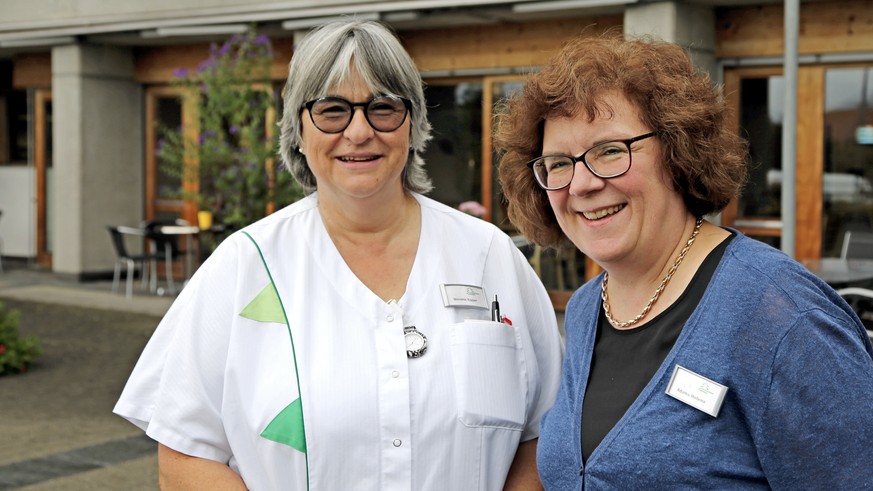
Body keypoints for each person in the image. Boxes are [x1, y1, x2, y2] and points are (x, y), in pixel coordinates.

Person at [114, 19, 563, 490]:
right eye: (332, 110)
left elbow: (544, 436)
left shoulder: (488, 256)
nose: (359, 131)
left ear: (411, 125)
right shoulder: (244, 267)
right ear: (299, 130)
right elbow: (186, 456)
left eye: (383, 108)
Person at [494, 33, 873, 489]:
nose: (581, 184)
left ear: (677, 152)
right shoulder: (586, 309)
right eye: (558, 163)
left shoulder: (780, 316)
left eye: (610, 151)